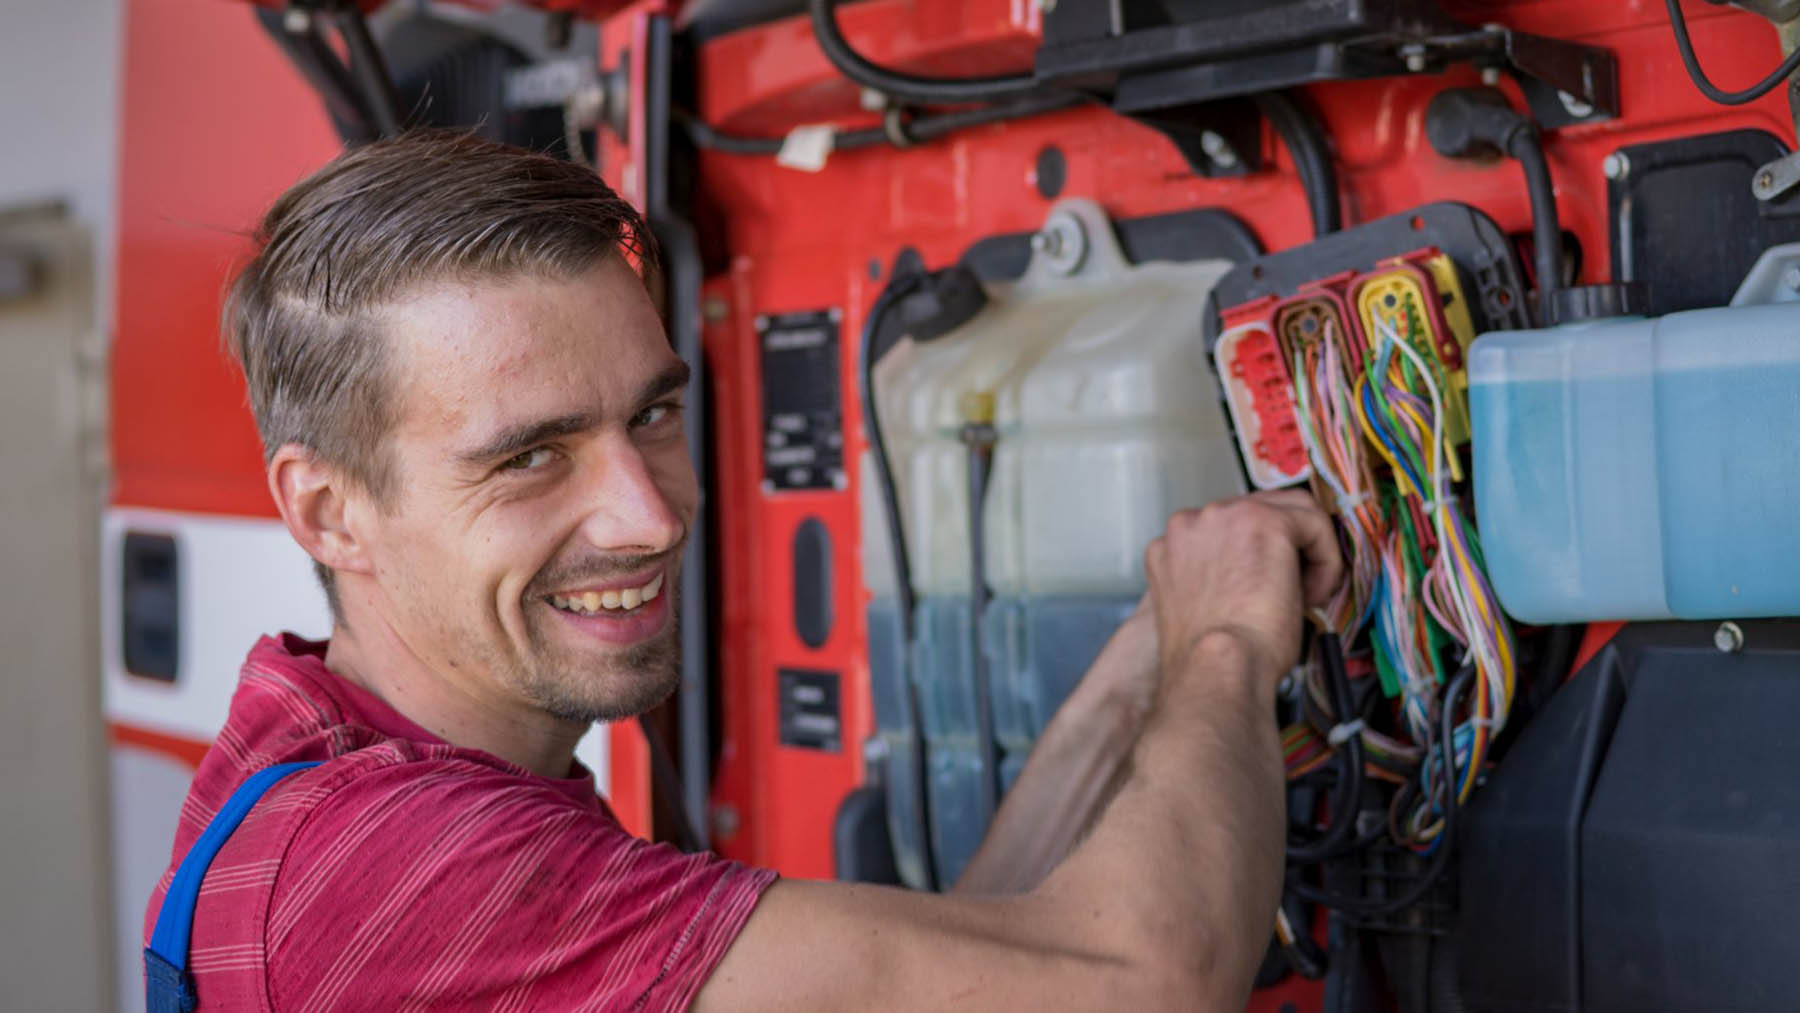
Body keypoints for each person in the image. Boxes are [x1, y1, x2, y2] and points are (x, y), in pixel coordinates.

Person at [145, 130, 1343, 1012]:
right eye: (531, 456)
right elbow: (1144, 986)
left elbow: (1004, 954)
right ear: (327, 509)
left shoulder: (323, 760)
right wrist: (1229, 652)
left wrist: (1164, 637)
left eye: (654, 415)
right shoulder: (416, 874)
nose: (650, 513)